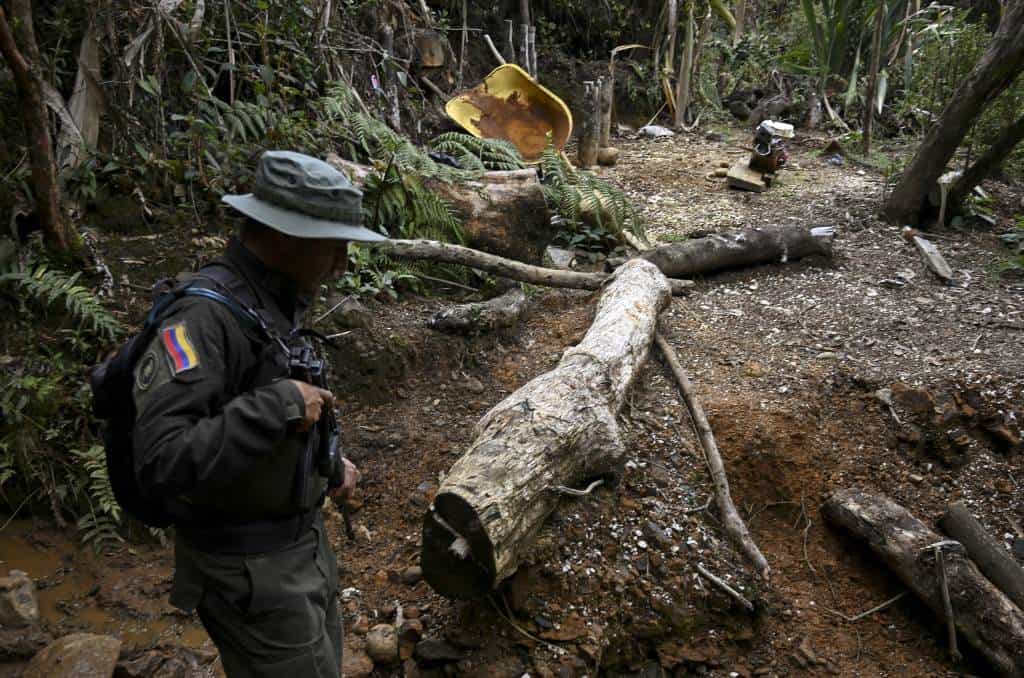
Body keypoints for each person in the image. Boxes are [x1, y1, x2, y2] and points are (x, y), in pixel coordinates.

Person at [131, 151, 385, 676]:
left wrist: (328, 463)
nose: (341, 265)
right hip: (249, 571)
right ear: (285, 235)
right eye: (333, 247)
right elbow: (161, 458)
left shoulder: (274, 296)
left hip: (299, 548)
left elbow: (266, 397)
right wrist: (281, 405)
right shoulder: (200, 318)